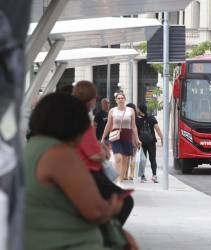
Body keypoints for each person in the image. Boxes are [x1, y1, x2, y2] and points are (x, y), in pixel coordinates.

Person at [24, 92, 139, 250]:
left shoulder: (33, 147)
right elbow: (96, 211)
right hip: (71, 243)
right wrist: (113, 206)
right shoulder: (60, 154)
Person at [72, 80, 133, 224]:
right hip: (90, 173)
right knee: (125, 201)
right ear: (92, 99)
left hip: (82, 171)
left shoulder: (74, 117)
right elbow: (94, 154)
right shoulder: (82, 120)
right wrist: (104, 153)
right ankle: (110, 233)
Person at [101, 93, 141, 181]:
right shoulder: (112, 111)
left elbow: (133, 126)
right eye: (118, 98)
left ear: (125, 99)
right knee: (118, 158)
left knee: (125, 159)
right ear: (116, 100)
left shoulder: (130, 111)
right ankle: (117, 177)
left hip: (127, 136)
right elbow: (108, 124)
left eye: (122, 98)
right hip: (115, 136)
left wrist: (137, 139)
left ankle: (121, 177)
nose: (120, 100)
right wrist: (103, 137)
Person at [136, 104, 163, 183]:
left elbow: (135, 131)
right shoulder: (151, 118)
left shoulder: (137, 119)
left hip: (141, 142)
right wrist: (161, 137)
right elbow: (157, 129)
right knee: (152, 159)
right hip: (151, 142)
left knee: (142, 160)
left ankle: (142, 177)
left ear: (140, 110)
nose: (137, 110)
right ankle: (154, 176)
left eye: (138, 108)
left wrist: (136, 140)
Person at [126, 103, 138, 180]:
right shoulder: (136, 118)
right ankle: (132, 174)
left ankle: (125, 174)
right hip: (135, 138)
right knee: (133, 157)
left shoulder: (126, 117)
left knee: (127, 157)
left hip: (127, 138)